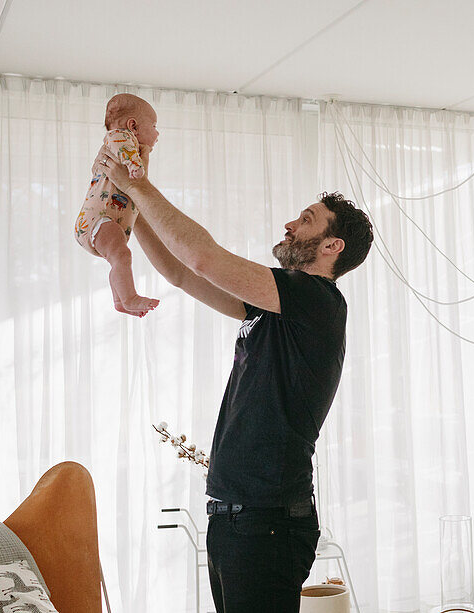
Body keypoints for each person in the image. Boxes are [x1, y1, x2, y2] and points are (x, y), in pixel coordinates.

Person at [93, 147, 373, 613]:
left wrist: (137, 183)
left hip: (268, 521)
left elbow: (203, 258)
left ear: (332, 246)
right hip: (236, 515)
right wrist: (132, 210)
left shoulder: (318, 299)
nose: (289, 225)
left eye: (305, 220)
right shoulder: (272, 307)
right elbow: (182, 272)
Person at [74, 93, 161, 317]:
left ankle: (120, 301)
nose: (157, 133)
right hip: (100, 219)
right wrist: (134, 164)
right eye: (153, 125)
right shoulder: (121, 137)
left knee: (119, 258)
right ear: (133, 125)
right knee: (122, 256)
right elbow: (121, 145)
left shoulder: (130, 147)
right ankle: (129, 296)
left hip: (103, 221)